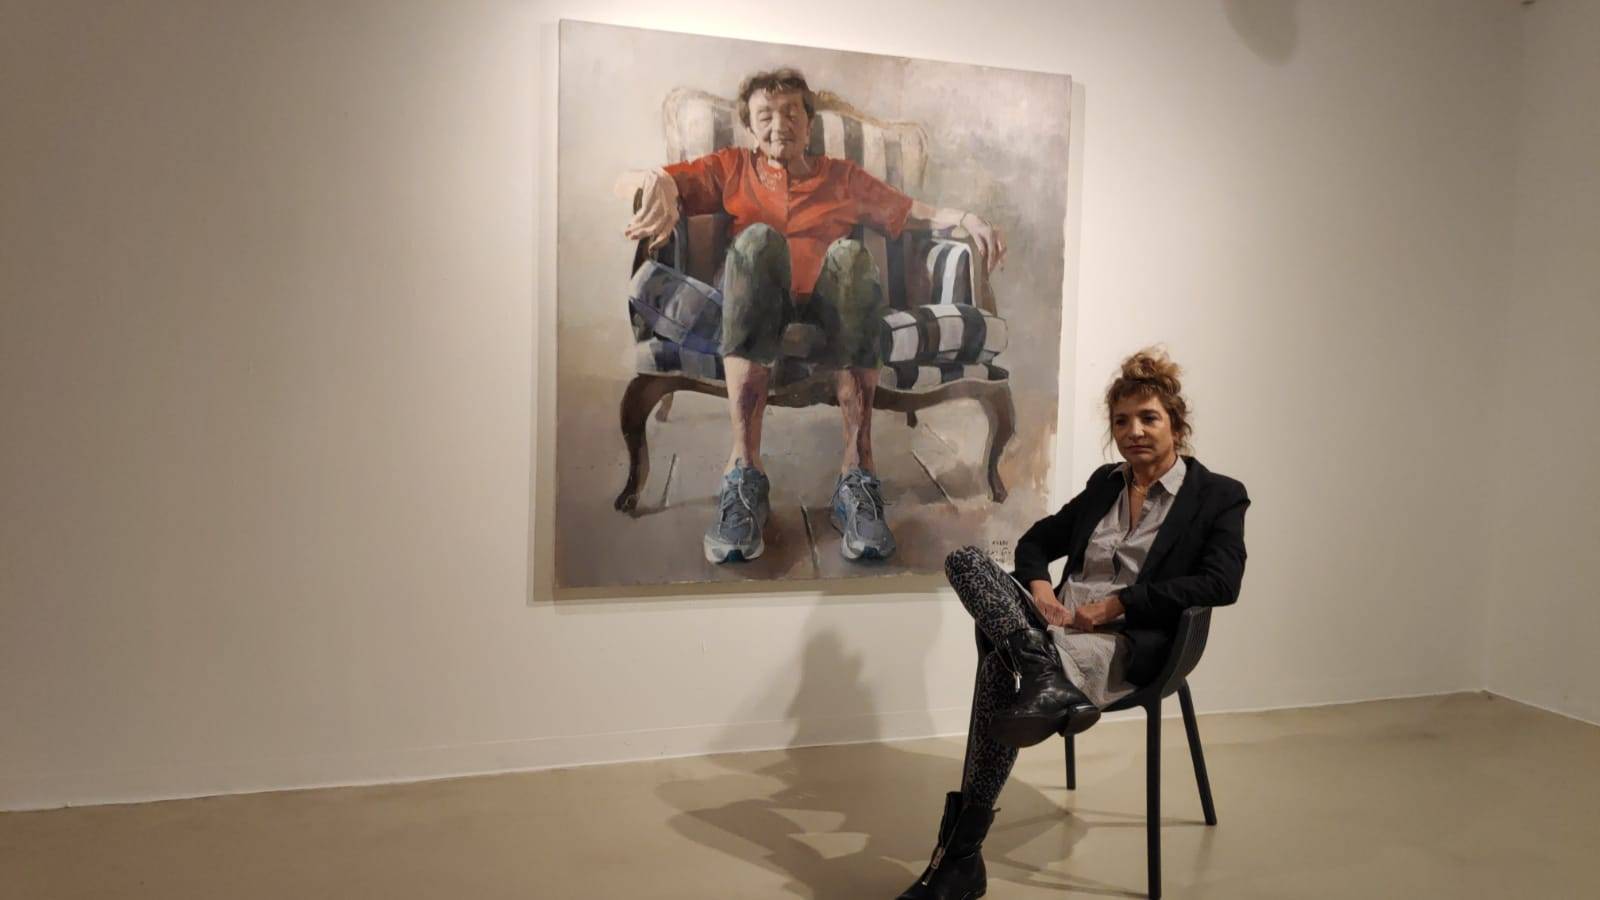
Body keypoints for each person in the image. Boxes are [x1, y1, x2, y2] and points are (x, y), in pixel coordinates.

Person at [895, 348, 1251, 899]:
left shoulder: (1218, 496)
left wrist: (1119, 604)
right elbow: (1036, 542)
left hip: (1123, 644)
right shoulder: (1107, 483)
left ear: (1176, 424)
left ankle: (960, 857)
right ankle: (1040, 671)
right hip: (1052, 629)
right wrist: (1040, 592)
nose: (1134, 432)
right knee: (966, 560)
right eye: (1121, 421)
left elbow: (1220, 584)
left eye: (1148, 418)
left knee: (999, 672)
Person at [615, 68, 1007, 565]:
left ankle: (856, 476)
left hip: (829, 308)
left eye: (790, 113)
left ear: (808, 123)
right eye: (765, 115)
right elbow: (626, 182)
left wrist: (967, 218)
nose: (779, 124)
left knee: (851, 257)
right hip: (758, 300)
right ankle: (744, 474)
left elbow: (910, 211)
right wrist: (655, 179)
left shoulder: (841, 176)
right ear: (751, 128)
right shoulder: (732, 167)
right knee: (757, 241)